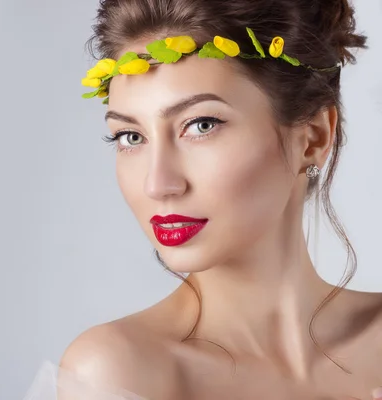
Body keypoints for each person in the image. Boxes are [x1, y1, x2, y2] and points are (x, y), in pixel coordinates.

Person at [23, 0, 382, 399]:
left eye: (201, 125)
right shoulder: (118, 372)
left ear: (313, 137)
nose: (158, 184)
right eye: (131, 137)